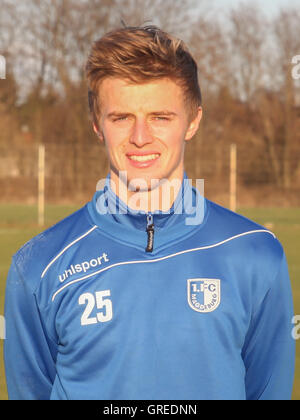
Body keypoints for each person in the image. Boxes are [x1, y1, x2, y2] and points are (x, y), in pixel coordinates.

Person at [4, 25, 295, 400]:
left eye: (160, 117)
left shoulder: (256, 254)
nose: (140, 136)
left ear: (193, 121)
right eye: (121, 117)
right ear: (97, 124)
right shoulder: (38, 266)